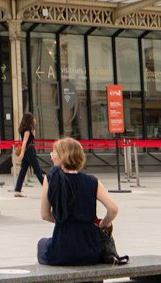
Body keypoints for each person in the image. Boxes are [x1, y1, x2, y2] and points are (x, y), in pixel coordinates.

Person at [36, 136, 118, 265]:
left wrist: (63, 219)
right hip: (90, 250)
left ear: (62, 157)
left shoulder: (50, 179)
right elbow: (113, 209)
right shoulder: (92, 181)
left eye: (53, 153)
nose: (51, 157)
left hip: (62, 250)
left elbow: (45, 215)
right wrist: (102, 224)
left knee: (42, 244)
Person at [11, 112, 43, 194]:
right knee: (37, 170)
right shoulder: (28, 129)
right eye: (32, 118)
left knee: (23, 170)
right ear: (30, 119)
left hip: (26, 151)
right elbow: (25, 142)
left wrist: (22, 153)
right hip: (30, 151)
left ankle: (17, 190)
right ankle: (48, 188)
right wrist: (21, 154)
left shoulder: (23, 128)